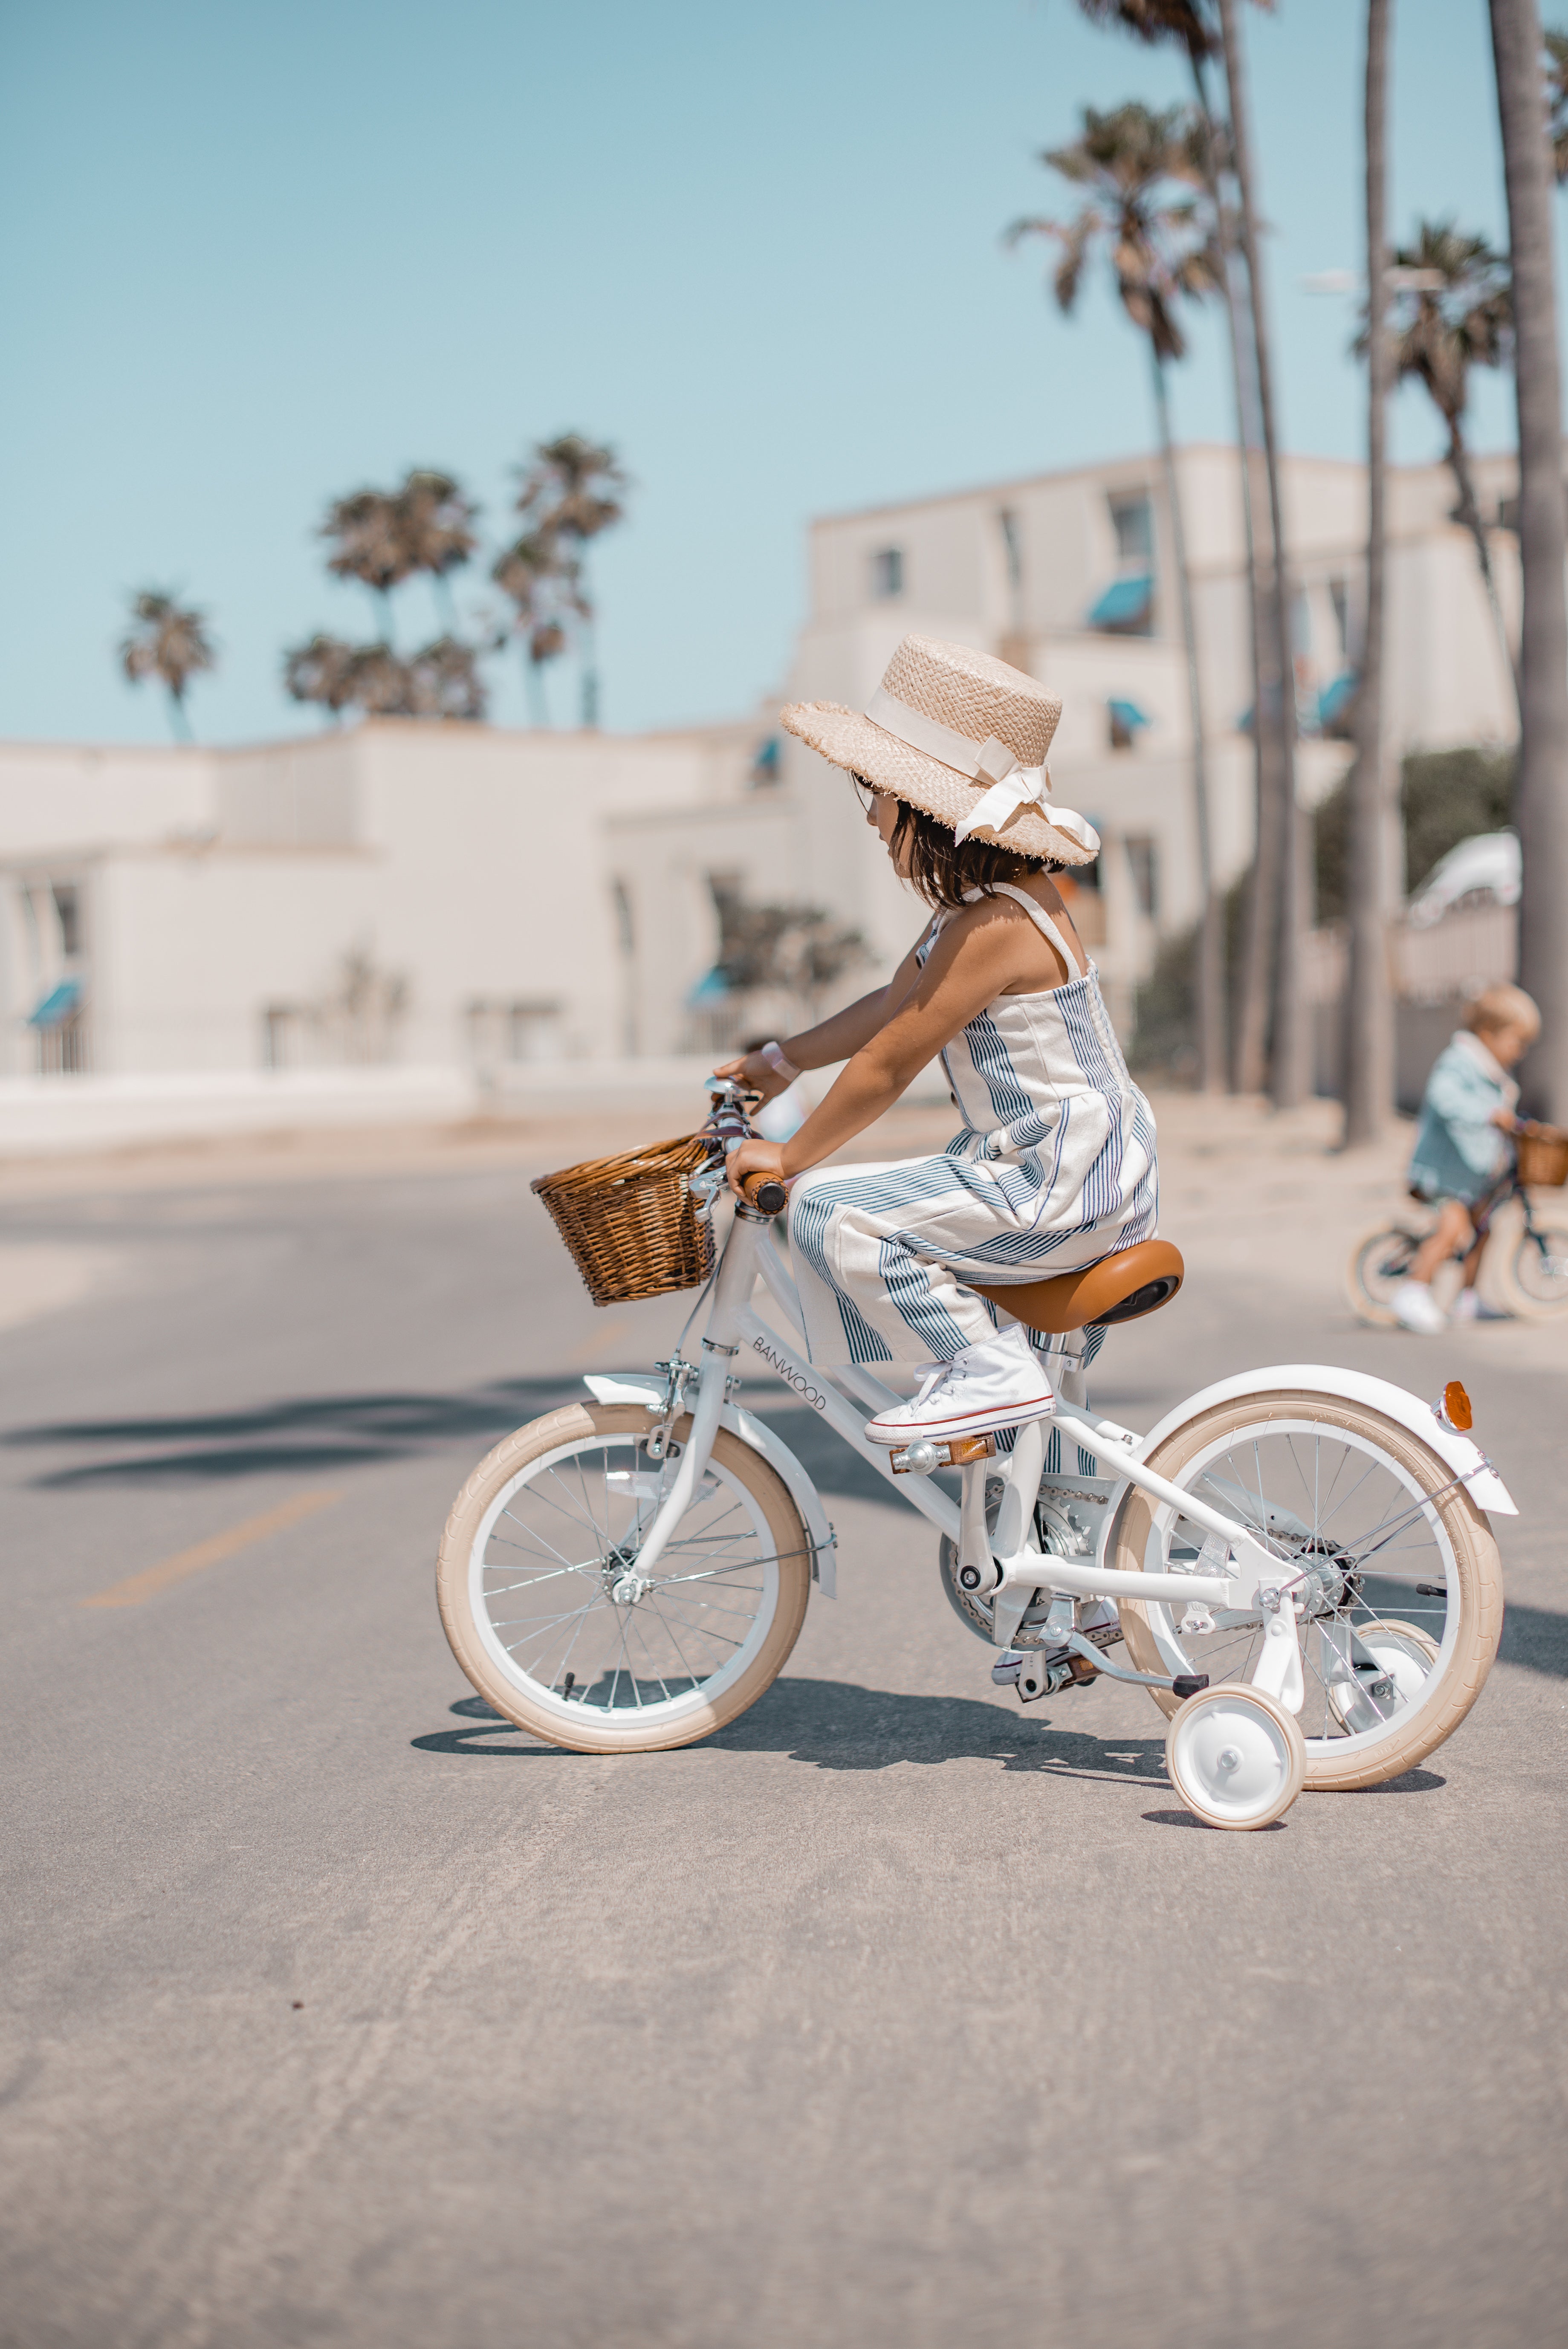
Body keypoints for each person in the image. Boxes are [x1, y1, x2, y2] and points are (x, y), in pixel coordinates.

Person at [719, 632, 1157, 1447]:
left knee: (832, 1212)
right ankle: (1066, 1511)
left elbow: (891, 1059)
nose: (873, 814)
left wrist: (788, 1160)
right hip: (1056, 1167)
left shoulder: (999, 921)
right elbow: (889, 1005)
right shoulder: (973, 911)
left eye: (878, 794)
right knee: (1035, 1445)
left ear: (930, 809)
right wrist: (780, 1062)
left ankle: (985, 1373)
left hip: (1062, 1181)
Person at [1392, 982, 1541, 1334]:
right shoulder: (1460, 1062)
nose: (1519, 1051)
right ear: (1490, 1033)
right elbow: (1444, 1100)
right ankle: (1413, 1291)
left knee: (1484, 1227)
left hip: (1470, 1178)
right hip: (1440, 1175)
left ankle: (1468, 1298)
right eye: (1516, 1041)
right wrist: (1488, 1113)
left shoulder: (1493, 1074)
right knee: (1453, 1228)